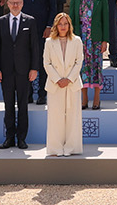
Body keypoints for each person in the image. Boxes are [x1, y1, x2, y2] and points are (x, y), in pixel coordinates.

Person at [0, 0, 41, 150]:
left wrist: (34, 68)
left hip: (24, 71)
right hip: (5, 71)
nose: (15, 5)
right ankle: (9, 137)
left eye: (18, 2)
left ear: (22, 4)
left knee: (23, 105)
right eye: (12, 2)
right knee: (8, 105)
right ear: (7, 4)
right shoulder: (0, 22)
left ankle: (22, 138)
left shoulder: (30, 21)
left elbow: (35, 47)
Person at [12, 0, 58, 103]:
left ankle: (42, 94)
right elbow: (15, 6)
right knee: (25, 60)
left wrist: (49, 26)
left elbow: (53, 7)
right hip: (24, 29)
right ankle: (28, 93)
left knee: (43, 60)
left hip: (42, 29)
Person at [67, 0, 109, 111]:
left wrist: (105, 40)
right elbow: (71, 19)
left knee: (96, 67)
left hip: (96, 39)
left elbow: (105, 20)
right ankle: (84, 99)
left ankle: (96, 99)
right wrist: (70, 38)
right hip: (81, 38)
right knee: (82, 67)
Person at [43, 12, 84, 156]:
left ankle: (72, 148)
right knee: (55, 117)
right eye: (60, 24)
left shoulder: (77, 41)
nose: (63, 26)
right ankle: (56, 148)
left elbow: (79, 62)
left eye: (65, 24)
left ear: (69, 25)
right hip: (55, 85)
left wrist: (69, 79)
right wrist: (58, 79)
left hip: (72, 84)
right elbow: (46, 63)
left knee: (73, 117)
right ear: (56, 25)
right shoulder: (49, 42)